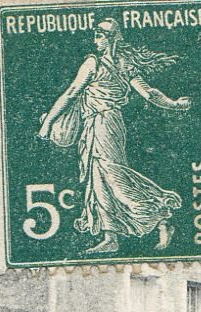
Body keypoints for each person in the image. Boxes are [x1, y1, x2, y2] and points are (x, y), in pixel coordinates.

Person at [36, 18, 190, 255]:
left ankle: (159, 214)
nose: (95, 41)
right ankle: (111, 236)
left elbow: (71, 93)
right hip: (106, 123)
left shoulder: (93, 63)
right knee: (99, 178)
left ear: (109, 39)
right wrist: (174, 104)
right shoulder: (124, 63)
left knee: (111, 175)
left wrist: (47, 123)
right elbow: (149, 93)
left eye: (99, 36)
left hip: (102, 123)